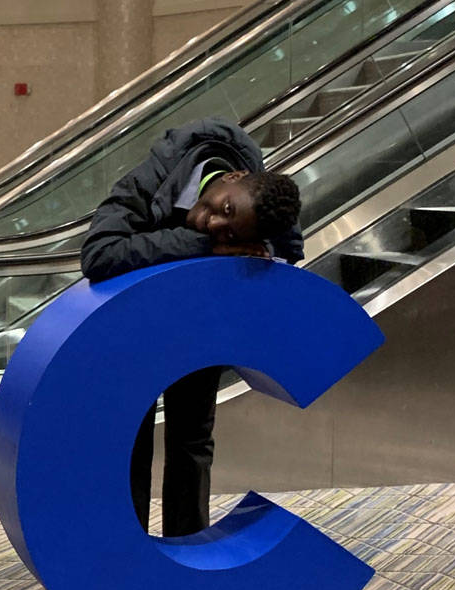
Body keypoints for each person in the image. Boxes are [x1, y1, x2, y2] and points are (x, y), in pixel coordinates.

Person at [79, 116, 302, 538]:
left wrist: (260, 249)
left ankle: (189, 544)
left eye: (231, 230)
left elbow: (290, 250)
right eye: (225, 209)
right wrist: (206, 248)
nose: (214, 222)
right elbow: (99, 254)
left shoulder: (265, 199)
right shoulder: (157, 173)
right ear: (234, 177)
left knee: (193, 440)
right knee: (132, 439)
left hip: (198, 324)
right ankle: (131, 548)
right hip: (135, 326)